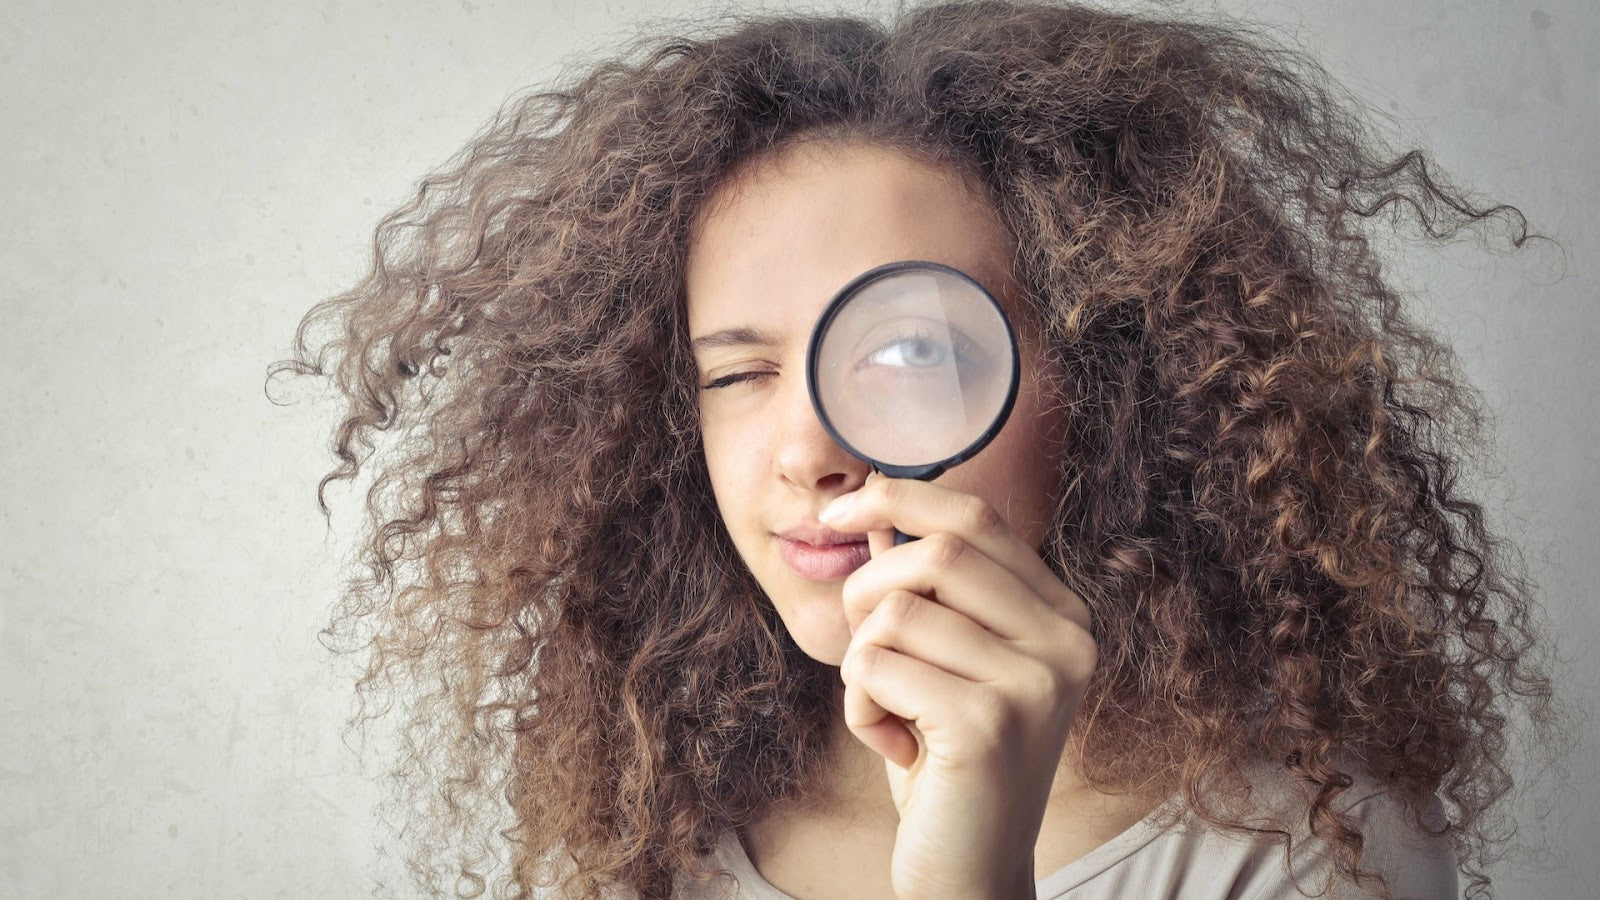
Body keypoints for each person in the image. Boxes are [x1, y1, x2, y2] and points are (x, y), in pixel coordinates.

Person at [270, 1, 1556, 897]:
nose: (809, 450)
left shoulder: (1305, 851)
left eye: (910, 352)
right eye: (735, 372)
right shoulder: (645, 825)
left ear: (1101, 388)